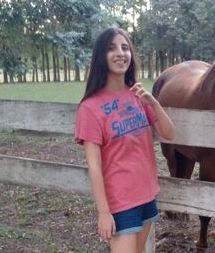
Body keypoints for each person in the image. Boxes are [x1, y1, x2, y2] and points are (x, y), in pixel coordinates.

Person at [75, 27, 175, 253]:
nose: (120, 53)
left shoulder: (137, 95)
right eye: (112, 48)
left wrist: (153, 102)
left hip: (147, 194)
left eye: (125, 47)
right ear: (101, 56)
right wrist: (104, 212)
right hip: (120, 202)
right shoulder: (90, 107)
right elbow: (94, 165)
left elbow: (169, 134)